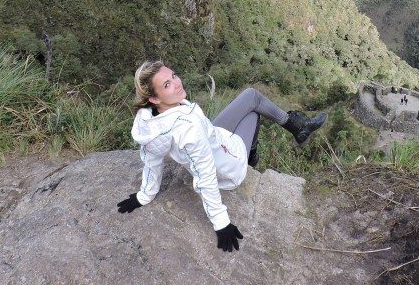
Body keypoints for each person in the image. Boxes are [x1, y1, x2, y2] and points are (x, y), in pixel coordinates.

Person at [116, 60, 328, 252]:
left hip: (214, 137)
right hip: (229, 164)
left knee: (252, 96)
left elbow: (152, 158)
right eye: (167, 85)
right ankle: (251, 157)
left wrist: (145, 195)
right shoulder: (188, 130)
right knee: (254, 112)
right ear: (154, 97)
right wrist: (221, 222)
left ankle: (298, 127)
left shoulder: (150, 119)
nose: (177, 82)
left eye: (173, 75)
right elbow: (205, 175)